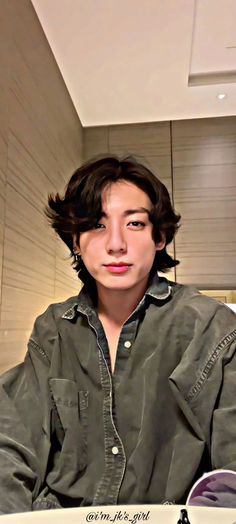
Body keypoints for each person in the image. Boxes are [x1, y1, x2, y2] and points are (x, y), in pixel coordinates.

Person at [0, 156, 236, 514]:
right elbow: (13, 442)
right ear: (75, 242)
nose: (115, 244)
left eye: (136, 223)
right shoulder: (53, 328)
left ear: (160, 237)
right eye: (96, 224)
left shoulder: (210, 326)